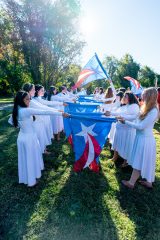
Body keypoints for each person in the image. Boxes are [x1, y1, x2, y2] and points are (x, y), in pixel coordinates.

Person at [12, 91, 68, 187]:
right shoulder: (26, 110)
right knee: (30, 158)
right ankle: (31, 181)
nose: (29, 100)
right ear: (21, 100)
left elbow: (12, 122)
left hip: (22, 137)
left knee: (26, 158)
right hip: (29, 138)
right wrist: (61, 113)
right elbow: (43, 112)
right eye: (27, 99)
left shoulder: (17, 109)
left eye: (29, 98)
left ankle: (27, 178)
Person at [118, 87, 159, 189]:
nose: (141, 96)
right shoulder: (145, 107)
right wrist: (124, 118)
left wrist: (125, 122)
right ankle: (149, 182)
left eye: (144, 94)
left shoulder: (154, 111)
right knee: (144, 160)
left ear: (150, 96)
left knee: (140, 160)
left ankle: (131, 183)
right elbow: (136, 120)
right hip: (140, 138)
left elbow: (141, 126)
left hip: (145, 140)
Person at [105, 91, 139, 167]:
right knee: (117, 143)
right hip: (120, 128)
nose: (124, 98)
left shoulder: (134, 106)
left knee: (126, 146)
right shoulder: (125, 105)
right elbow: (118, 113)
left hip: (127, 130)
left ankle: (126, 162)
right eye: (124, 96)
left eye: (125, 96)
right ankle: (115, 157)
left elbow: (134, 117)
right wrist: (110, 113)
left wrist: (123, 118)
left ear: (130, 98)